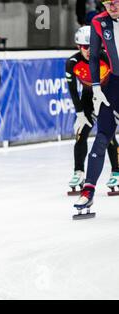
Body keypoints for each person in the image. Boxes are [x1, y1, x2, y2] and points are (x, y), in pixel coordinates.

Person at [75, 0, 119, 210]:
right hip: (113, 85)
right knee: (102, 137)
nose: (111, 7)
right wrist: (96, 87)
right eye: (107, 3)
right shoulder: (98, 21)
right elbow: (93, 56)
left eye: (116, 2)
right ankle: (88, 191)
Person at [66, 26, 119, 194]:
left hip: (107, 96)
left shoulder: (106, 58)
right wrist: (80, 113)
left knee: (107, 134)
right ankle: (79, 171)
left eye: (92, 46)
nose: (89, 50)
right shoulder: (72, 63)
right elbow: (73, 90)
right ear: (78, 47)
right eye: (85, 47)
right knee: (81, 132)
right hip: (88, 97)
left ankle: (116, 171)